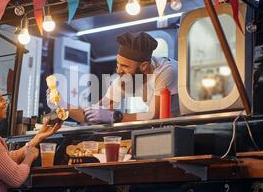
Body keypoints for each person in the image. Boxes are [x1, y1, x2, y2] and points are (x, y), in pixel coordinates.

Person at [48, 31, 178, 123]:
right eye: (118, 64)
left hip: (188, 123)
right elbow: (90, 116)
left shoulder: (165, 71)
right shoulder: (123, 81)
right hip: (165, 126)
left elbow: (155, 115)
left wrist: (114, 117)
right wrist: (64, 106)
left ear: (143, 66)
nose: (119, 70)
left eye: (125, 66)